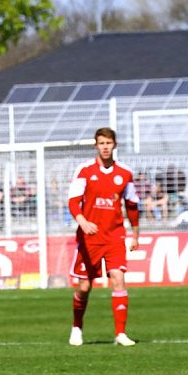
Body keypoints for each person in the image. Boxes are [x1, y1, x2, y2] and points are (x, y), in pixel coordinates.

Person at [67, 127, 140, 347]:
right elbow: (73, 200)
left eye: (108, 143)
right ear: (96, 145)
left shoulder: (125, 173)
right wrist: (82, 220)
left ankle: (120, 333)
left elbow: (132, 205)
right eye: (101, 143)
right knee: (84, 287)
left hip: (115, 237)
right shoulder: (85, 170)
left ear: (114, 144)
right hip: (89, 238)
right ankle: (77, 327)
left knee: (118, 278)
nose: (105, 147)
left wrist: (135, 235)